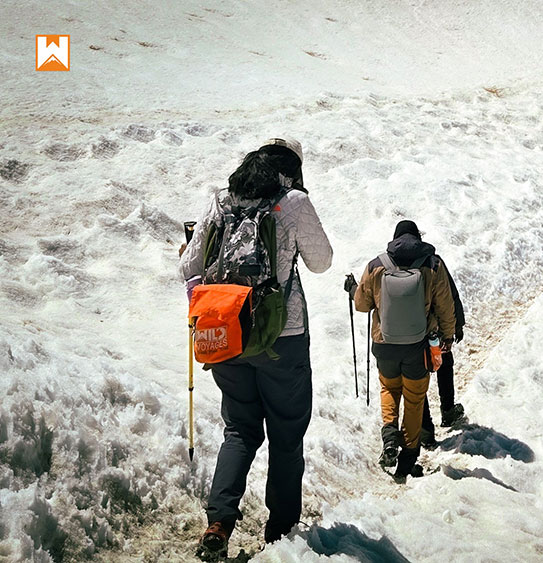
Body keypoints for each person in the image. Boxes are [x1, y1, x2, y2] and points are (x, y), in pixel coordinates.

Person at [179, 137, 333, 560]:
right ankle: (280, 534)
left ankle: (218, 522)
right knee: (286, 434)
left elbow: (187, 267)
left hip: (227, 332)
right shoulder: (293, 201)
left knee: (240, 430)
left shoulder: (221, 201)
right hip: (282, 337)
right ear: (291, 170)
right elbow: (321, 261)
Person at [348, 220, 456, 483]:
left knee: (389, 389)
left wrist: (352, 289)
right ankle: (407, 459)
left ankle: (389, 436)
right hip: (417, 347)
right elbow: (445, 305)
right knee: (414, 400)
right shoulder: (432, 265)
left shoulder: (376, 265)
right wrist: (448, 335)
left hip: (384, 345)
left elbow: (362, 304)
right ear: (418, 237)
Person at [418, 249, 466, 449]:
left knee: (416, 376)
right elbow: (450, 295)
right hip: (434, 333)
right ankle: (448, 411)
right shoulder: (433, 262)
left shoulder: (391, 264)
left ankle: (425, 432)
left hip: (408, 336)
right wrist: (456, 325)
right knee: (444, 362)